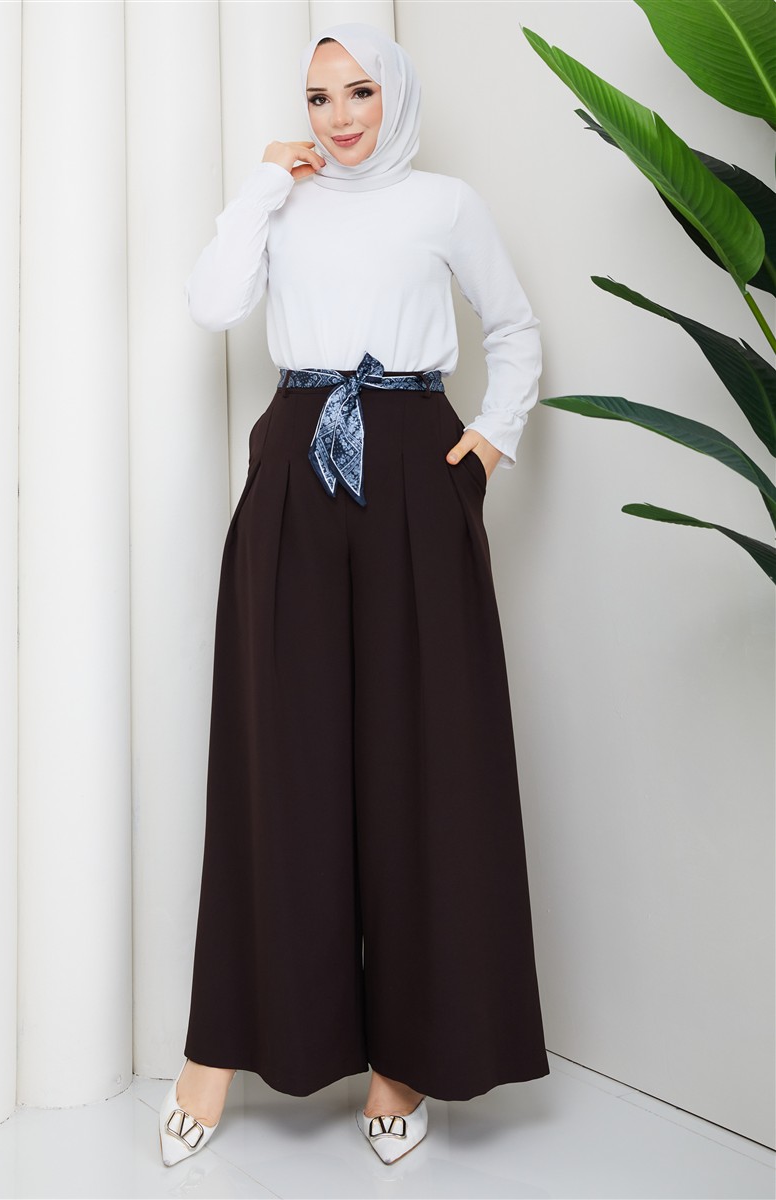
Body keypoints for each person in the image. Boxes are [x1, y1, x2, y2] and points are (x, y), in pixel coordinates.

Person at [159, 21, 549, 1168]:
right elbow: (212, 302)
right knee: (281, 756)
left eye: (361, 91)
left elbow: (515, 329)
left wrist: (487, 444)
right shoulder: (284, 204)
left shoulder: (446, 204)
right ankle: (220, 1051)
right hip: (297, 458)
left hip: (416, 461)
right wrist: (258, 190)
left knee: (423, 758)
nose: (339, 117)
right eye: (321, 96)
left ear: (396, 96)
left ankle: (403, 1062)